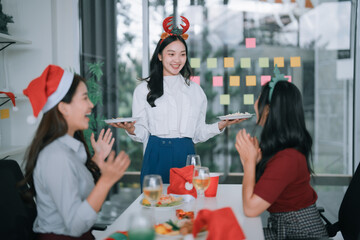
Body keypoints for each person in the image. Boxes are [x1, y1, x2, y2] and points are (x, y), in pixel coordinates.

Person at [109, 16, 245, 185]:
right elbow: (143, 133)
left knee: (186, 206)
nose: (177, 60)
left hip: (186, 154)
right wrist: (131, 129)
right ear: (159, 56)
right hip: (156, 153)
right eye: (171, 54)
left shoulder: (195, 91)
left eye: (182, 54)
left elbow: (197, 134)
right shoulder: (144, 90)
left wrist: (221, 125)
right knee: (155, 205)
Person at [20, 65, 131, 239]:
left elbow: (82, 195)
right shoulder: (56, 157)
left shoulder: (69, 150)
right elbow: (75, 226)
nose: (91, 105)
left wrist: (97, 159)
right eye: (84, 98)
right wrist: (106, 181)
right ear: (63, 108)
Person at [235, 66, 328, 239]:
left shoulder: (287, 159)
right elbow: (259, 193)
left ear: (269, 110)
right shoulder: (282, 149)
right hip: (288, 229)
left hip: (301, 234)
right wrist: (253, 162)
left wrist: (249, 163)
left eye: (259, 99)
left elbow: (250, 209)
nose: (256, 103)